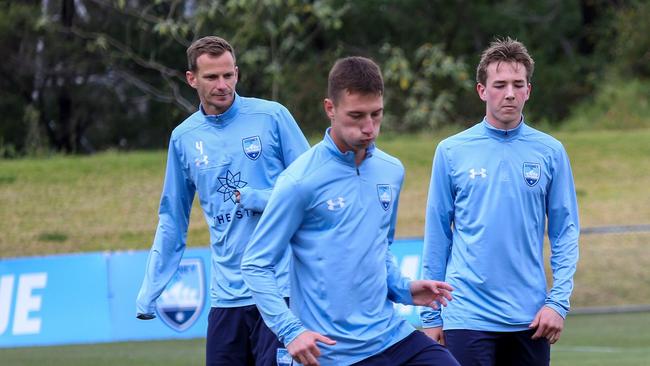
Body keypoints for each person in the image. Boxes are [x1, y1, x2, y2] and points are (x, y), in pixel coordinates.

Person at [241, 56, 460, 366]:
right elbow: (255, 265)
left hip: (391, 336)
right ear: (330, 108)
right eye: (357, 116)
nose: (369, 128)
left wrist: (404, 289)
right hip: (334, 353)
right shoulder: (299, 181)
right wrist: (291, 331)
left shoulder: (391, 171)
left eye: (376, 114)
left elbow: (379, 245)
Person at [135, 36, 310, 365]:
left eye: (228, 75)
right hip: (226, 297)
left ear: (237, 73)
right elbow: (173, 218)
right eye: (212, 77)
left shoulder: (272, 117)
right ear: (192, 79)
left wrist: (259, 198)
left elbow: (313, 189)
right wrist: (151, 287)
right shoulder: (184, 139)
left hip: (280, 289)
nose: (222, 85)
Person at [420, 37, 580, 366]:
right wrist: (430, 316)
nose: (509, 93)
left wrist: (558, 302)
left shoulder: (550, 151)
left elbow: (565, 233)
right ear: (482, 90)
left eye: (517, 84)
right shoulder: (451, 151)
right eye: (500, 84)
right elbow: (437, 234)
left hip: (530, 318)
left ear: (528, 90)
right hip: (466, 315)